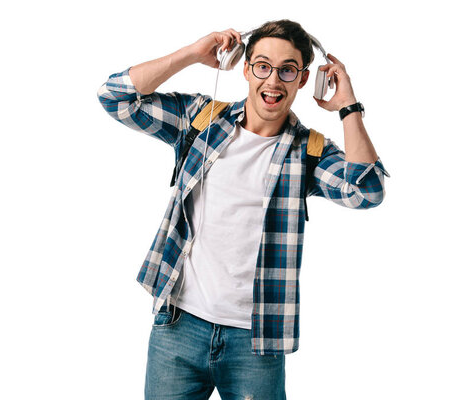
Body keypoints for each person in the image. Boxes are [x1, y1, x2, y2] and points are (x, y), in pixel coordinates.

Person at [98, 19, 388, 400]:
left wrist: (348, 106)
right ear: (246, 68)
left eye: (287, 70)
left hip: (255, 341)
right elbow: (114, 96)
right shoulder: (200, 120)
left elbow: (366, 191)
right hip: (178, 327)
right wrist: (190, 54)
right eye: (263, 66)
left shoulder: (310, 152)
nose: (273, 81)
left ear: (302, 80)